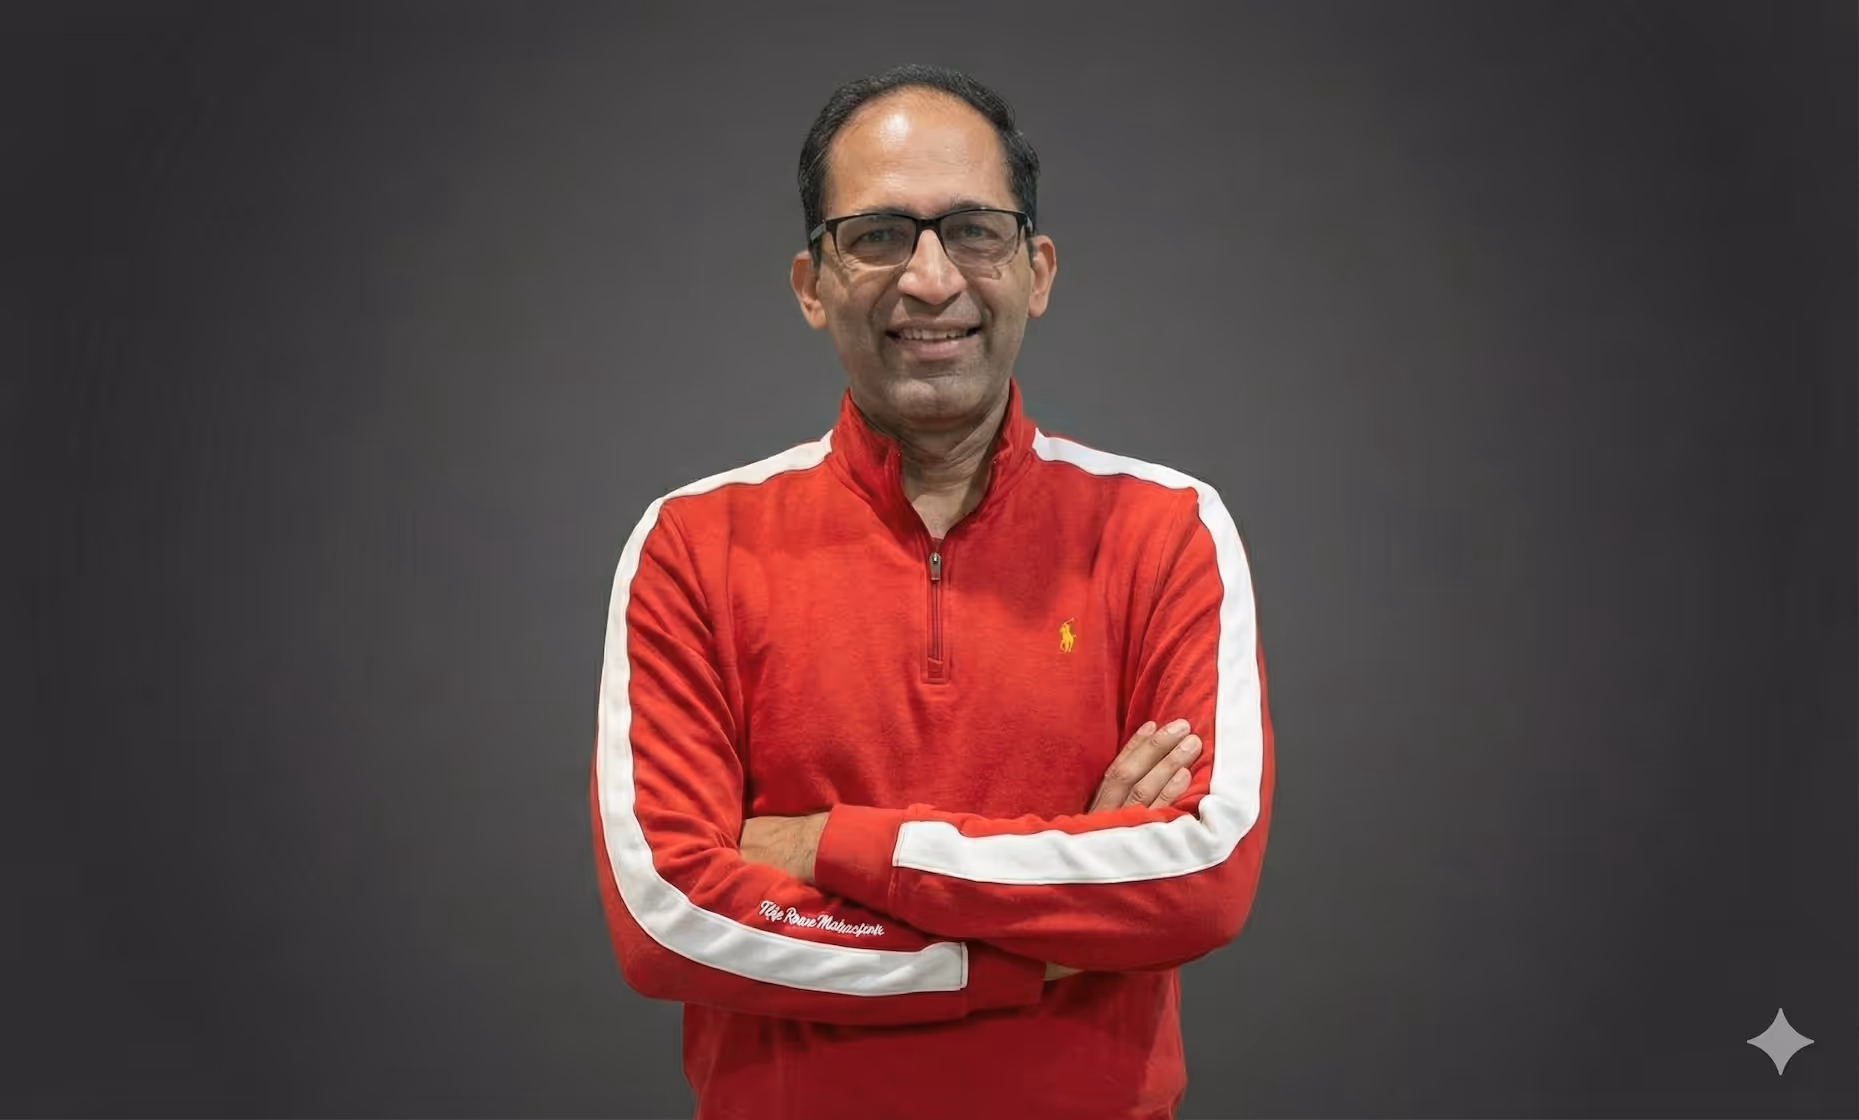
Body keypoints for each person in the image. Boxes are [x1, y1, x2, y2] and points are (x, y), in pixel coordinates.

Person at [589, 63, 1276, 1120]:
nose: (928, 278)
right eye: (875, 236)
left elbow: (1199, 870)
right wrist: (1028, 943)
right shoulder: (694, 542)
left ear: (1036, 270)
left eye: (973, 231)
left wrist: (826, 844)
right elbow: (667, 910)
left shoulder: (1163, 528)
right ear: (810, 285)